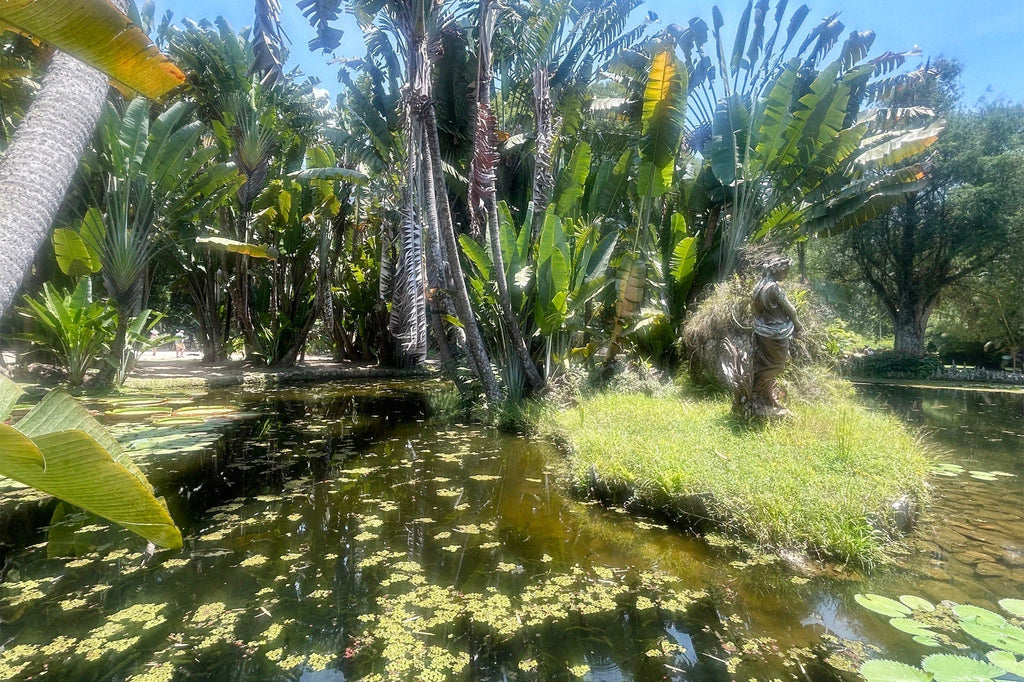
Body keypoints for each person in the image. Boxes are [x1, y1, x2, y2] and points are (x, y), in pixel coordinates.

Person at [746, 256, 802, 418]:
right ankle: (758, 397)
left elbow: (754, 310)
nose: (786, 274)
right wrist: (797, 324)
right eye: (786, 271)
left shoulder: (758, 286)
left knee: (763, 363)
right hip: (776, 332)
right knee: (776, 365)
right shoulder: (774, 288)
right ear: (778, 270)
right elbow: (790, 309)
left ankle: (766, 397)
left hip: (761, 329)